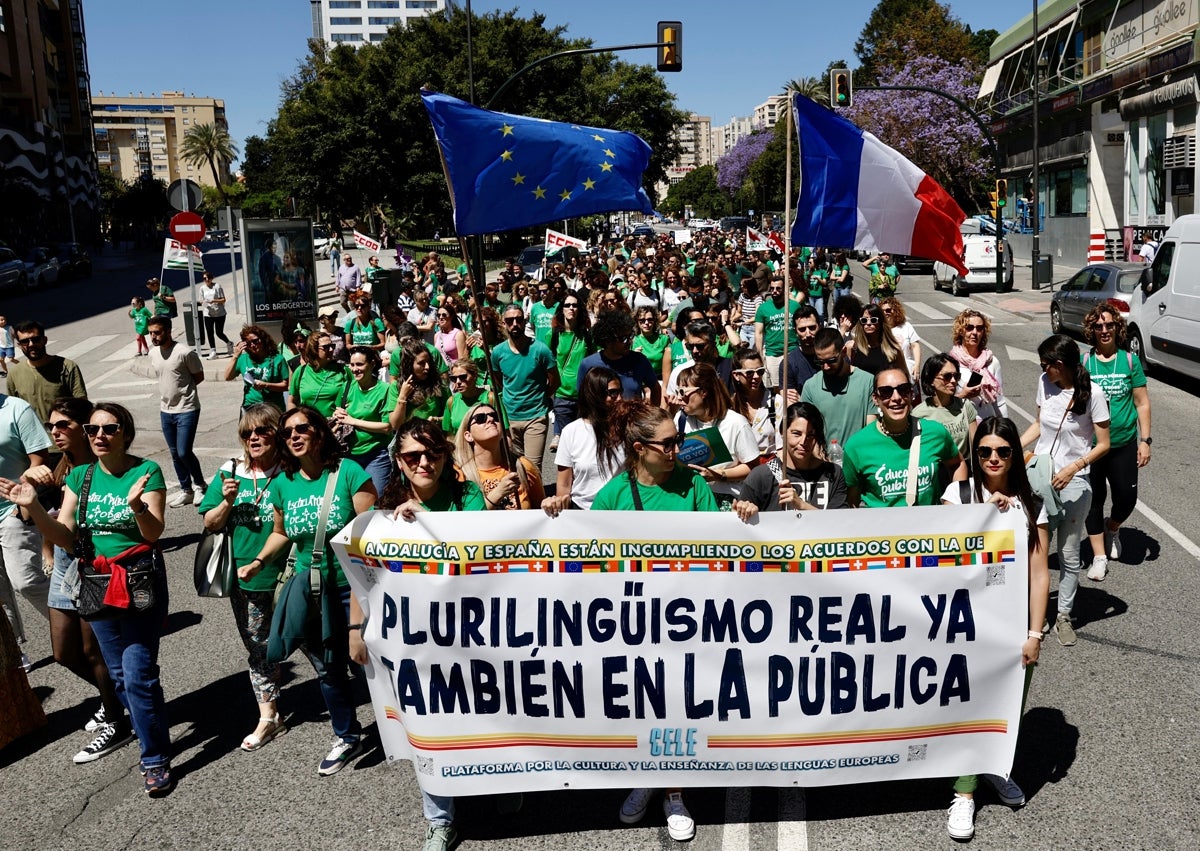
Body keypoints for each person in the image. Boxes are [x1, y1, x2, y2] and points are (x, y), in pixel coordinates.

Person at [0, 403, 172, 794]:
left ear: (125, 433)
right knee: (122, 677)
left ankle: (155, 758)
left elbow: (153, 533)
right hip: (96, 583)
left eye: (109, 429)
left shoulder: (146, 472)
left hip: (139, 582)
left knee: (137, 672)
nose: (99, 436)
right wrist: (31, 508)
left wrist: (137, 507)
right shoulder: (81, 476)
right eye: (93, 430)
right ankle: (151, 719)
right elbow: (65, 535)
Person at [594, 400, 713, 842]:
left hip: (688, 621)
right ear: (640, 448)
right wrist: (553, 514)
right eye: (667, 443)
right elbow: (583, 558)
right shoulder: (613, 496)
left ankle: (675, 792)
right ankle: (650, 773)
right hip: (633, 623)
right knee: (644, 704)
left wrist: (740, 520)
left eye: (678, 440)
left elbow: (720, 551)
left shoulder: (693, 486)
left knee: (677, 705)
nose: (676, 449)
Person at [239, 405, 376, 775]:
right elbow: (282, 532)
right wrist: (259, 562)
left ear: (319, 432)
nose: (294, 436)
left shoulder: (348, 473)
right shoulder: (283, 483)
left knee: (368, 664)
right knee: (328, 669)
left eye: (302, 429)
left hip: (352, 588)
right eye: (287, 433)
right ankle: (347, 736)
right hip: (311, 590)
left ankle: (399, 729)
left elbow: (371, 536)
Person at [378, 418, 485, 851]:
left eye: (433, 454)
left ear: (445, 455)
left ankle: (503, 781)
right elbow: (366, 577)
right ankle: (440, 818)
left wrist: (430, 526)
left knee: (486, 716)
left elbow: (481, 554)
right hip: (419, 644)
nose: (424, 463)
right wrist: (354, 627)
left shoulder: (468, 496)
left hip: (478, 635)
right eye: (412, 457)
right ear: (399, 463)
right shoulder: (386, 510)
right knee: (431, 728)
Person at [941, 417, 1050, 840]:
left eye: (1002, 451)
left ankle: (992, 768)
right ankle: (964, 794)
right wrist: (987, 514)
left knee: (1005, 707)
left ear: (1014, 455)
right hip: (967, 622)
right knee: (970, 706)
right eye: (984, 451)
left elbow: (1039, 574)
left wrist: (1035, 634)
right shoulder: (958, 494)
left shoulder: (1031, 503)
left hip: (1013, 625)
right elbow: (945, 552)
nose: (992, 459)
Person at [17, 397, 124, 764]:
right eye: (51, 426)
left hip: (93, 564)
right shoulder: (56, 469)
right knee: (64, 653)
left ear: (85, 427)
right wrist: (28, 485)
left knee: (94, 651)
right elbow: (30, 516)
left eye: (63, 425)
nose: (55, 432)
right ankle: (119, 699)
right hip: (65, 564)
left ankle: (116, 719)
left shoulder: (100, 466)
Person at [197, 404, 287, 754]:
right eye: (247, 433)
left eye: (262, 431)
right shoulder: (229, 472)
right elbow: (210, 524)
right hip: (245, 580)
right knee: (259, 647)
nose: (254, 438)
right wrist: (227, 503)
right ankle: (270, 717)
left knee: (312, 641)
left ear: (277, 434)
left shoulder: (291, 472)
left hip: (290, 573)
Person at [1020, 334, 1111, 646]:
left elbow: (1104, 444)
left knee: (1070, 556)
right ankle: (1039, 614)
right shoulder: (1044, 383)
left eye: (1047, 364)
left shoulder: (1094, 395)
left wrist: (1074, 467)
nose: (1043, 369)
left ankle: (1064, 615)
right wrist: (1012, 450)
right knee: (1039, 556)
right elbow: (1037, 425)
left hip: (1075, 485)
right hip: (1040, 481)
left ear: (1061, 365)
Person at [1080, 306, 1152, 581]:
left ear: (1116, 328)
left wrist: (1145, 440)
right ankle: (1099, 557)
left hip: (1123, 443)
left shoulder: (1129, 362)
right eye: (1098, 326)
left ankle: (1114, 526)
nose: (1104, 330)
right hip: (1093, 446)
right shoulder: (1085, 363)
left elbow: (1142, 403)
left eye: (1109, 325)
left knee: (1126, 497)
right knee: (1093, 500)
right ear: (1092, 331)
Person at [843, 367, 966, 507]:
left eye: (903, 389)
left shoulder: (935, 432)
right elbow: (851, 500)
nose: (896, 398)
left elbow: (957, 463)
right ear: (875, 399)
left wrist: (955, 503)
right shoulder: (857, 446)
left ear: (911, 394)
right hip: (882, 527)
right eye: (886, 392)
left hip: (930, 526)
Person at [733, 402, 848, 516]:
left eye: (810, 435)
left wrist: (802, 505)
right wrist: (743, 511)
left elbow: (839, 523)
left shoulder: (833, 473)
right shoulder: (761, 476)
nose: (803, 442)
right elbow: (740, 524)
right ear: (783, 433)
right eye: (796, 434)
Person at [674, 363, 760, 509]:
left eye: (683, 392)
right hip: (689, 494)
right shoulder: (680, 420)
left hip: (724, 496)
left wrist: (718, 475)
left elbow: (753, 467)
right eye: (677, 391)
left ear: (704, 392)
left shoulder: (736, 423)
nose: (679, 397)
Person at [542, 367, 624, 514]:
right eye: (613, 393)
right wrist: (564, 516)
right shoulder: (571, 432)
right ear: (595, 395)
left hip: (621, 511)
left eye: (619, 391)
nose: (619, 398)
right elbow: (564, 483)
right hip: (583, 513)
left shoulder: (628, 429)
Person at [146, 316, 207, 508]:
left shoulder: (184, 352)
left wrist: (184, 392)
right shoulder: (153, 353)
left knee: (183, 451)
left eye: (157, 332)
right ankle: (186, 490)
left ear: (168, 331)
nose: (153, 337)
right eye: (151, 333)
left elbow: (198, 376)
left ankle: (200, 485)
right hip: (166, 410)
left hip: (187, 408)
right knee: (174, 453)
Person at [491, 305, 559, 472]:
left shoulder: (540, 350)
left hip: (535, 416)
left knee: (532, 470)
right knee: (515, 468)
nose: (515, 324)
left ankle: (536, 498)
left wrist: (542, 397)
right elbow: (499, 380)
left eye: (519, 319)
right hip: (510, 417)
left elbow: (555, 380)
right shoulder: (498, 353)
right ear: (504, 323)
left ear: (525, 321)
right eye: (510, 320)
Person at [332, 346, 398, 497]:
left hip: (375, 455)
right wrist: (338, 413)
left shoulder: (384, 390)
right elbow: (337, 411)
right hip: (349, 455)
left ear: (372, 364)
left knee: (377, 498)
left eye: (360, 365)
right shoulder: (347, 387)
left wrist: (353, 421)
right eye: (352, 365)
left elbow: (387, 427)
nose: (355, 369)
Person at [454, 402, 544, 510]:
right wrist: (498, 493)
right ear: (468, 436)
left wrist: (551, 505)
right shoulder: (459, 474)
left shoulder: (523, 466)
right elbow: (464, 521)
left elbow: (540, 511)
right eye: (480, 418)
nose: (491, 420)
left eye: (495, 417)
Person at [799, 327, 877, 450]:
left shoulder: (868, 382)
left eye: (831, 360)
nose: (826, 367)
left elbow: (871, 430)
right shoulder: (810, 387)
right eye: (820, 362)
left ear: (844, 352)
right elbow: (807, 431)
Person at [7, 320, 88, 424]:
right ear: (19, 345)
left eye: (36, 339)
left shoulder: (67, 367)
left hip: (64, 436)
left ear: (44, 340)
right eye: (25, 341)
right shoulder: (14, 374)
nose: (31, 344)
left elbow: (82, 406)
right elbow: (13, 411)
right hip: (33, 438)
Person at [577, 310, 660, 407]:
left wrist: (651, 414)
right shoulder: (587, 364)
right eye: (623, 338)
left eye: (630, 336)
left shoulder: (640, 360)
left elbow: (656, 389)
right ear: (607, 340)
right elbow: (582, 400)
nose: (629, 341)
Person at [549, 290, 594, 450]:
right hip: (562, 394)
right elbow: (546, 362)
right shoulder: (553, 335)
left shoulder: (587, 336)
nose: (571, 308)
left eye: (575, 305)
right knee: (567, 445)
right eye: (567, 305)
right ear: (562, 309)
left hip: (583, 395)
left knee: (582, 443)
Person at [913, 353, 978, 458]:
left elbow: (976, 447)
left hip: (964, 470)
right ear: (931, 380)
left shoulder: (966, 406)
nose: (953, 381)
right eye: (947, 376)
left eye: (956, 376)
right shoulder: (918, 415)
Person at [949, 309, 1008, 420]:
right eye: (969, 327)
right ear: (961, 331)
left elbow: (999, 402)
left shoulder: (992, 361)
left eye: (979, 328)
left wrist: (1005, 431)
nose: (975, 332)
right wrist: (963, 394)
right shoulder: (951, 363)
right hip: (962, 424)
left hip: (987, 424)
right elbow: (943, 403)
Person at [729, 346, 780, 460]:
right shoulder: (730, 406)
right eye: (749, 373)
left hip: (770, 467)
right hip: (741, 470)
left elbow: (782, 447)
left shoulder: (776, 402)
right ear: (736, 375)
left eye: (760, 371)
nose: (756, 377)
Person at [288, 330, 352, 419]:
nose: (331, 349)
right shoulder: (301, 371)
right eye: (326, 347)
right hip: (308, 426)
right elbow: (292, 401)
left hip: (335, 425)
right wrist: (293, 419)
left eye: (332, 346)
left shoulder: (343, 371)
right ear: (313, 349)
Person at [226, 325, 290, 411]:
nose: (252, 345)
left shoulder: (277, 359)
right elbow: (228, 377)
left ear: (263, 339)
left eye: (255, 341)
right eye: (248, 343)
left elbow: (286, 386)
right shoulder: (243, 359)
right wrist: (235, 356)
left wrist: (266, 385)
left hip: (273, 407)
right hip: (250, 406)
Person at [392, 338, 449, 427]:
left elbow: (451, 415)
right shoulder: (396, 387)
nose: (427, 367)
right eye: (421, 363)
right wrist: (403, 396)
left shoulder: (438, 384)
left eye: (428, 362)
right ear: (409, 365)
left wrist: (437, 420)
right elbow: (395, 425)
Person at [754, 277, 799, 389]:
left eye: (778, 288)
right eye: (772, 288)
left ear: (785, 289)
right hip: (772, 354)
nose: (774, 291)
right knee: (777, 386)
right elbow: (758, 333)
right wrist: (759, 354)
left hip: (792, 351)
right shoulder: (763, 309)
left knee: (793, 385)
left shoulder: (795, 306)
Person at [849, 303, 907, 377]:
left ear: (881, 322)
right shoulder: (853, 347)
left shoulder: (893, 349)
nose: (868, 323)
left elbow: (903, 375)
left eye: (873, 320)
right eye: (864, 320)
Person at [779, 305, 822, 404]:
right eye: (802, 329)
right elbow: (791, 402)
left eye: (812, 328)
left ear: (819, 326)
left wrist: (803, 399)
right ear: (795, 332)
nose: (808, 334)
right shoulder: (788, 364)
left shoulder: (832, 356)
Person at [879, 297, 921, 378]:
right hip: (886, 372)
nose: (885, 313)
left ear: (895, 311)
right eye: (882, 311)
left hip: (907, 370)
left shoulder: (906, 326)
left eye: (888, 310)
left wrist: (917, 365)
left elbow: (915, 346)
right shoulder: (879, 329)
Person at [198, 272, 233, 359]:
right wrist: (204, 302)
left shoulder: (217, 286)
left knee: (219, 332)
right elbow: (200, 300)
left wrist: (213, 301)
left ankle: (229, 343)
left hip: (219, 313)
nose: (206, 280)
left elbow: (223, 299)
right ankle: (213, 351)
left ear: (211, 278)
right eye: (204, 278)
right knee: (209, 332)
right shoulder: (202, 288)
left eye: (208, 278)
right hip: (208, 313)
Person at [432, 301, 467, 368]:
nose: (441, 317)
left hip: (454, 372)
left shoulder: (458, 334)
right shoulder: (436, 335)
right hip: (442, 374)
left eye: (444, 315)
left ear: (451, 317)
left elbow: (462, 358)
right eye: (439, 315)